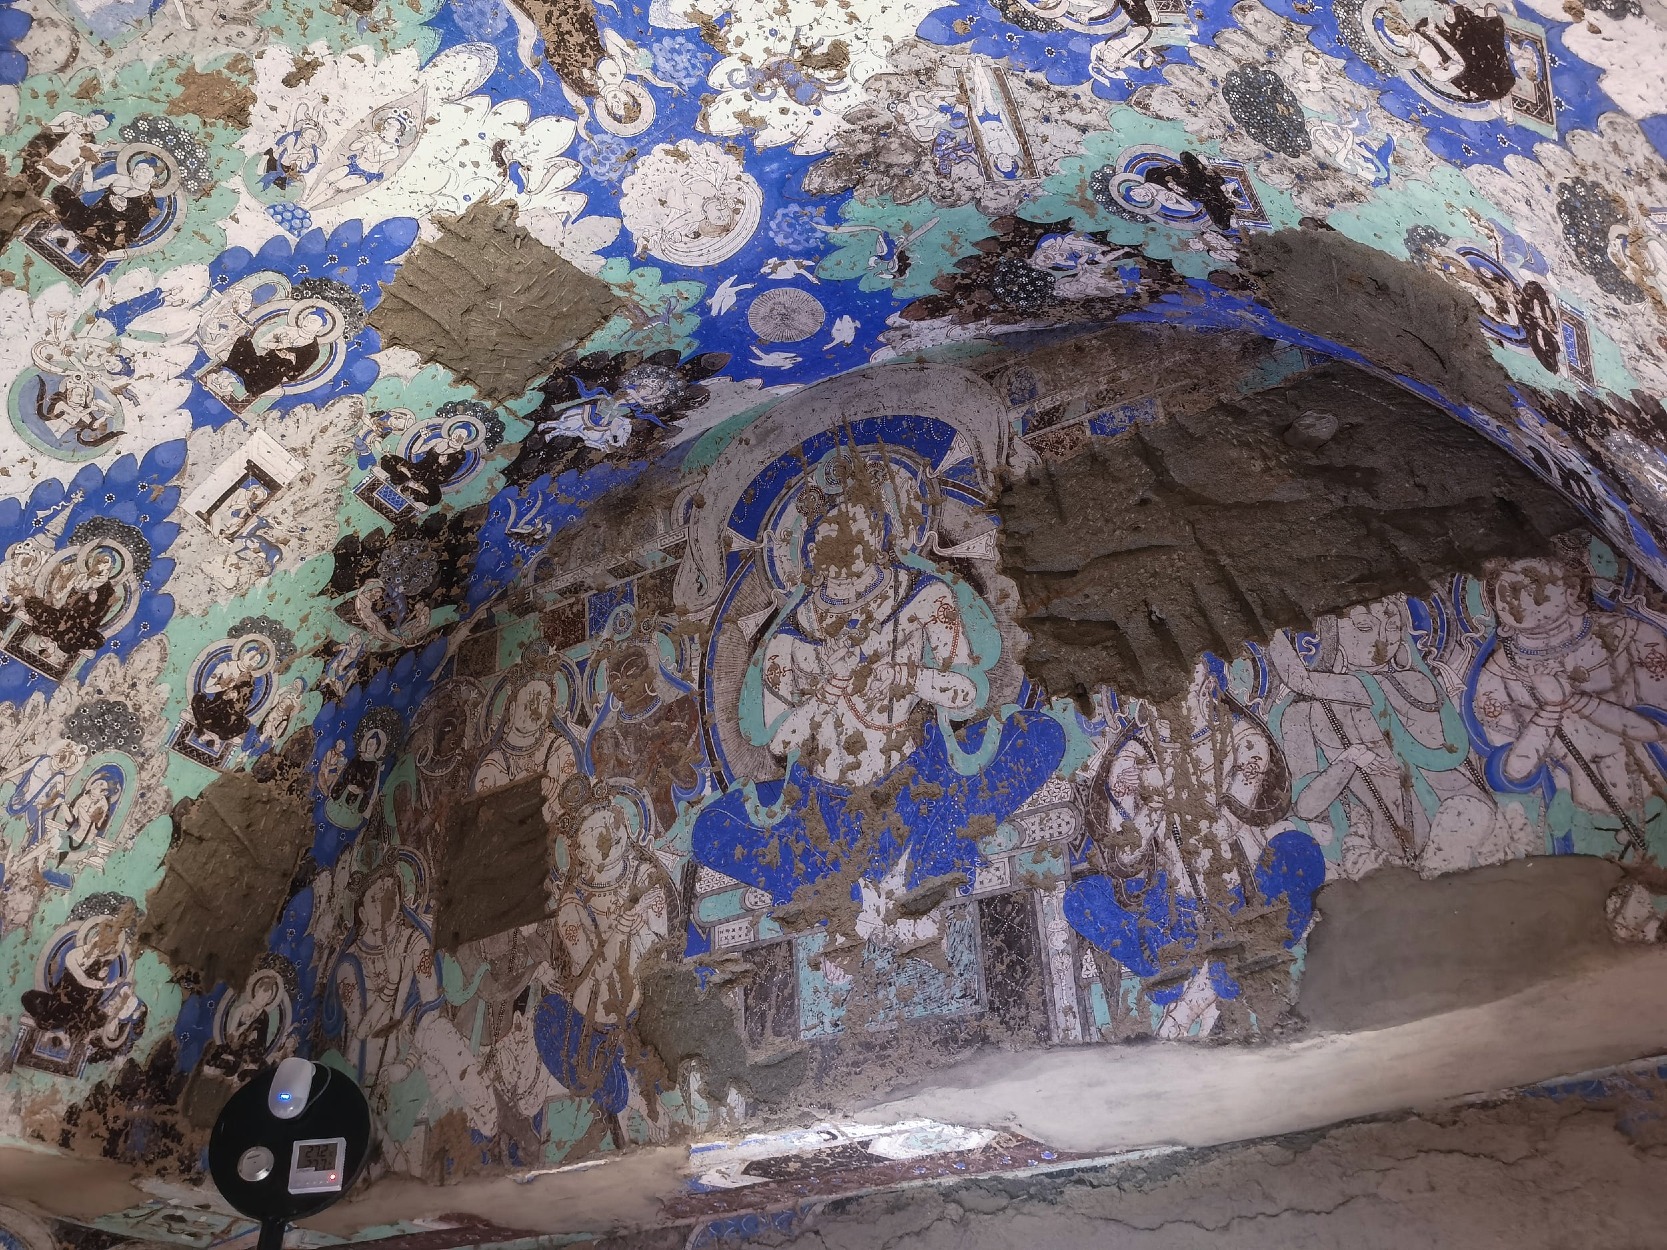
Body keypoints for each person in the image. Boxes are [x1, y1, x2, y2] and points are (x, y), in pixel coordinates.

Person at [690, 491, 1066, 902]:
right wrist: (828, 690)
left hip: (918, 782)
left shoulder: (923, 597)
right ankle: (843, 888)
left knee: (1039, 734)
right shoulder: (790, 638)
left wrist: (908, 676)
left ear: (878, 539)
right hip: (826, 804)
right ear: (811, 553)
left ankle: (919, 860)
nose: (844, 563)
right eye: (830, 546)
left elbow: (967, 694)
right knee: (711, 829)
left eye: (855, 543)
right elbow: (781, 742)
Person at [1271, 596, 1499, 877]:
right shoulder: (1300, 715)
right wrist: (1349, 760)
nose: (1382, 639)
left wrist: (1266, 621)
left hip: (1459, 817)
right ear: (1331, 632)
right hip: (1382, 849)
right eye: (1365, 627)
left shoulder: (1411, 682)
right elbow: (1306, 807)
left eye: (1392, 627)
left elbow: (1300, 680)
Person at [1473, 556, 1667, 862]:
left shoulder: (1634, 637)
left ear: (1573, 587)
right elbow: (1515, 771)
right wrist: (1550, 710)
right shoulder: (1497, 675)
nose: (1520, 597)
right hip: (1579, 818)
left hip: (1655, 793)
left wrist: (1573, 699)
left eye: (1535, 584)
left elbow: (1656, 729)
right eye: (1507, 589)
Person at [379, 424, 472, 509]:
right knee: (386, 460)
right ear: (452, 433)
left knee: (434, 498)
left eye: (460, 437)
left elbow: (445, 476)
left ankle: (409, 487)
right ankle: (408, 481)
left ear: (465, 440)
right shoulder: (439, 441)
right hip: (416, 469)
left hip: (430, 479)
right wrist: (422, 438)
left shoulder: (460, 455)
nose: (456, 438)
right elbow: (415, 451)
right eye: (455, 434)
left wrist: (439, 465)